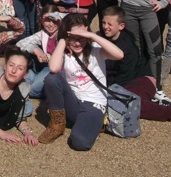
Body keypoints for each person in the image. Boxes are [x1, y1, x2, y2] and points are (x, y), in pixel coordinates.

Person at [100, 6, 171, 129]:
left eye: (109, 24)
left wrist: (106, 91)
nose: (105, 27)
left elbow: (124, 79)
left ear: (121, 26)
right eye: (103, 23)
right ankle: (158, 104)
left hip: (141, 80)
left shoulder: (127, 46)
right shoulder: (100, 38)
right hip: (120, 83)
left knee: (129, 103)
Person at [37, 13, 123, 150]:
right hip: (73, 101)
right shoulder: (65, 50)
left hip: (93, 103)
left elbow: (119, 55)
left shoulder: (95, 49)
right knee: (52, 79)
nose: (77, 43)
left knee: (80, 143)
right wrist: (63, 41)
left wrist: (92, 36)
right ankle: (57, 125)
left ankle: (96, 123)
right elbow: (53, 68)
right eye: (73, 38)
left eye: (81, 37)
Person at [17, 5, 63, 98]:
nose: (51, 24)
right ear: (41, 20)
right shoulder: (43, 34)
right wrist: (34, 49)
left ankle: (59, 91)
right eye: (47, 20)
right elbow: (19, 44)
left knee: (32, 90)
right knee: (27, 77)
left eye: (54, 20)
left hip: (60, 70)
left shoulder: (63, 34)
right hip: (46, 67)